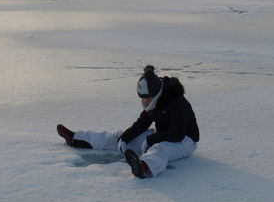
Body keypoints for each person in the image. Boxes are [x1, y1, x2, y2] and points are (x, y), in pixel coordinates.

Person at [57, 65, 199, 178]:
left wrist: (151, 140)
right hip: (165, 134)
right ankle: (78, 139)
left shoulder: (177, 102)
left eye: (146, 98)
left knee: (161, 149)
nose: (144, 101)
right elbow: (142, 124)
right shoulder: (154, 100)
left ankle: (144, 168)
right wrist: (125, 138)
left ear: (156, 94)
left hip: (185, 141)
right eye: (142, 98)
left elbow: (177, 134)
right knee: (121, 135)